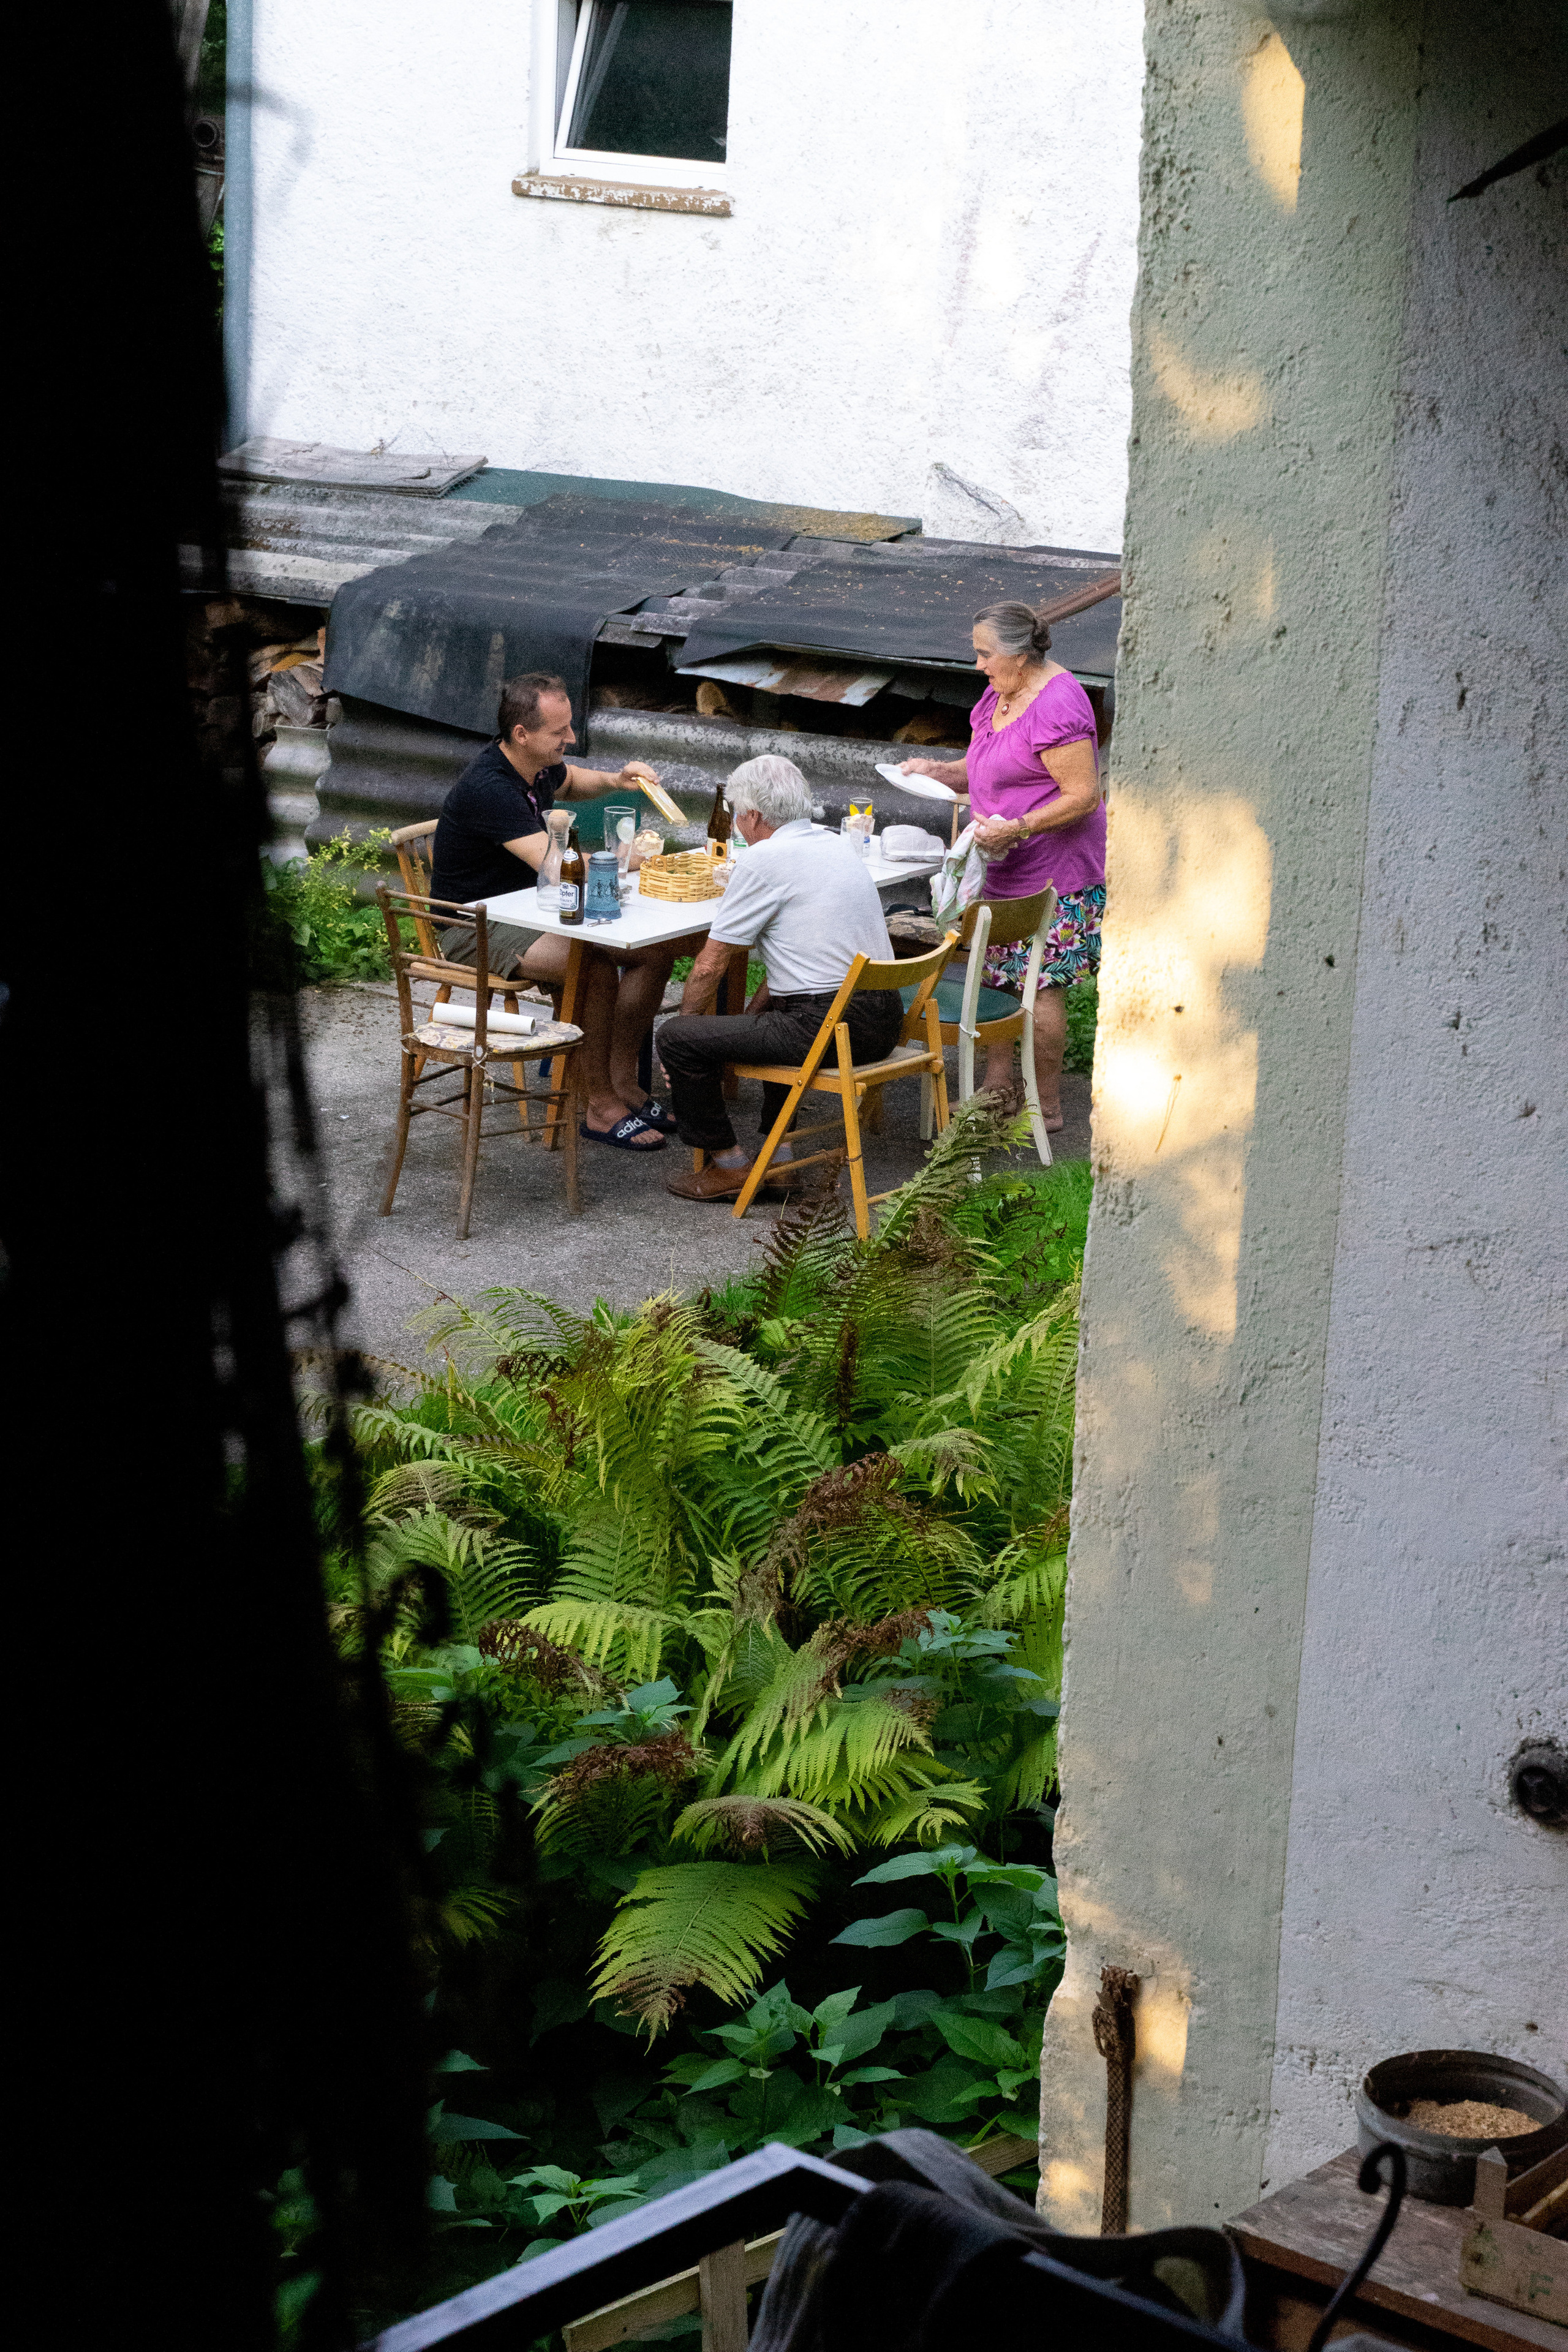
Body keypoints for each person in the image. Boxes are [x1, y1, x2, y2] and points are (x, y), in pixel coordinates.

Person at [430, 671, 692, 1151]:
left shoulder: (539, 767)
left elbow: (573, 782)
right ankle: (599, 1105)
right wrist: (624, 859)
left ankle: (622, 1083)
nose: (571, 739)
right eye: (560, 732)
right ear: (521, 735)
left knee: (652, 953)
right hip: (476, 925)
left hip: (532, 910)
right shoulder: (490, 787)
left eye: (570, 727)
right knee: (590, 963)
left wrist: (618, 780)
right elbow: (554, 864)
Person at [657, 756, 903, 1202]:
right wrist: (751, 1015)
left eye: (735, 813)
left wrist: (691, 1027)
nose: (734, 825)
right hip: (882, 1020)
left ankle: (730, 1166)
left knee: (677, 1037)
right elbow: (810, 957)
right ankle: (781, 1158)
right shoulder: (835, 845)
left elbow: (711, 965)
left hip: (827, 1027)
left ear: (752, 816)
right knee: (776, 1011)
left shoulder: (763, 859)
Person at [900, 601, 1104, 1131]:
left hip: (1053, 869)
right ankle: (997, 1087)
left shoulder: (1059, 703)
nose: (978, 666)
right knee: (990, 971)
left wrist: (1019, 828)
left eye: (984, 654)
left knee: (1041, 983)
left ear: (1019, 655)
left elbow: (1083, 795)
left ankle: (1048, 1105)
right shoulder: (1001, 690)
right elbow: (986, 762)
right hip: (998, 861)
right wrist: (939, 772)